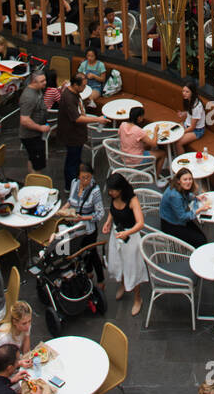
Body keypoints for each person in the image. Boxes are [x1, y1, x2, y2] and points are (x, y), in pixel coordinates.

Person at [53, 162, 105, 288]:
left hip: (88, 229)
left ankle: (101, 279)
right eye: (83, 177)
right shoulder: (74, 183)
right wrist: (63, 209)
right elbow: (71, 201)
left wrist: (84, 218)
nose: (86, 180)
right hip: (76, 228)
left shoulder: (95, 191)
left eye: (88, 177)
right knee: (81, 252)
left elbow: (100, 213)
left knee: (92, 253)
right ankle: (88, 272)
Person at [102, 172, 146, 316]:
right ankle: (122, 283)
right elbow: (112, 211)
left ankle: (137, 297)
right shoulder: (114, 198)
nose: (110, 193)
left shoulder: (132, 200)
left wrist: (127, 233)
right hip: (117, 234)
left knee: (133, 266)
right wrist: (108, 222)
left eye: (112, 190)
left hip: (130, 237)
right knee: (117, 261)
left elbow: (140, 223)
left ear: (120, 189)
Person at [56, 73, 106, 191]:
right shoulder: (69, 98)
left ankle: (76, 181)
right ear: (75, 85)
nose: (84, 88)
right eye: (83, 86)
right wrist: (97, 119)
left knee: (76, 159)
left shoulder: (74, 92)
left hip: (77, 134)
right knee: (72, 161)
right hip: (72, 136)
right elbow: (77, 118)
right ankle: (70, 186)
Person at [160, 168, 206, 248]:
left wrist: (196, 198)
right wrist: (199, 210)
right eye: (185, 179)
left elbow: (186, 196)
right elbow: (182, 217)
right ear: (178, 181)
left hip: (175, 219)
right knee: (201, 240)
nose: (188, 182)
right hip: (171, 225)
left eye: (190, 179)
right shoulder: (175, 196)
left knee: (202, 237)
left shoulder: (179, 187)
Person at [18, 69, 50, 173]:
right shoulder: (29, 97)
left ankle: (32, 180)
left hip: (36, 134)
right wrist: (40, 128)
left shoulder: (38, 89)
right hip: (30, 136)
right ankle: (36, 183)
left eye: (45, 80)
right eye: (42, 81)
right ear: (33, 82)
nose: (45, 83)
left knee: (33, 159)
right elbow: (24, 120)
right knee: (37, 165)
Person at [0, 301, 33, 372]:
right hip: (1, 372)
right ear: (15, 322)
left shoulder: (26, 327)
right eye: (24, 323)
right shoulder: (2, 338)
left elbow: (26, 352)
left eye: (30, 321)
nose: (28, 326)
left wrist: (27, 334)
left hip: (15, 362)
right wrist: (19, 364)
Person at [176, 81, 208, 153]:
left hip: (197, 131)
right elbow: (190, 112)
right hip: (186, 124)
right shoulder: (189, 100)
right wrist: (183, 113)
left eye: (187, 92)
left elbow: (192, 127)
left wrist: (182, 132)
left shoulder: (197, 107)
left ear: (192, 93)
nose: (184, 93)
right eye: (183, 91)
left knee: (178, 143)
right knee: (172, 131)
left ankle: (181, 163)